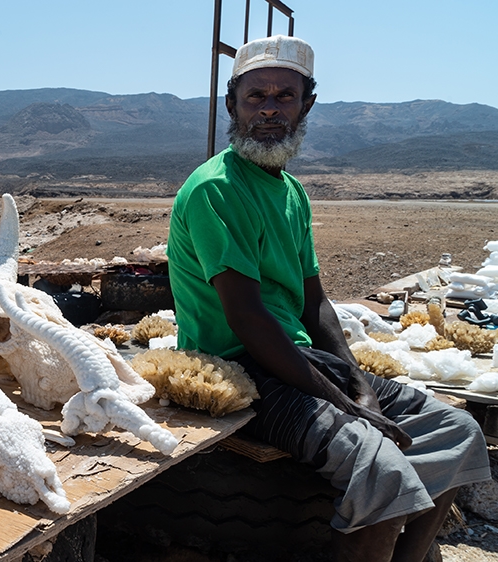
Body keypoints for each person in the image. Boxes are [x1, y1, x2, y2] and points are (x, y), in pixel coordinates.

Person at [166, 35, 491, 562]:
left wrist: (359, 381)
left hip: (298, 360)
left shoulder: (291, 193)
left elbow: (315, 304)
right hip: (239, 366)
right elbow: (247, 319)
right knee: (380, 471)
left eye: (284, 96)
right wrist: (345, 403)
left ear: (307, 105)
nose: (269, 109)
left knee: (458, 430)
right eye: (256, 97)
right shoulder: (216, 189)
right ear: (233, 105)